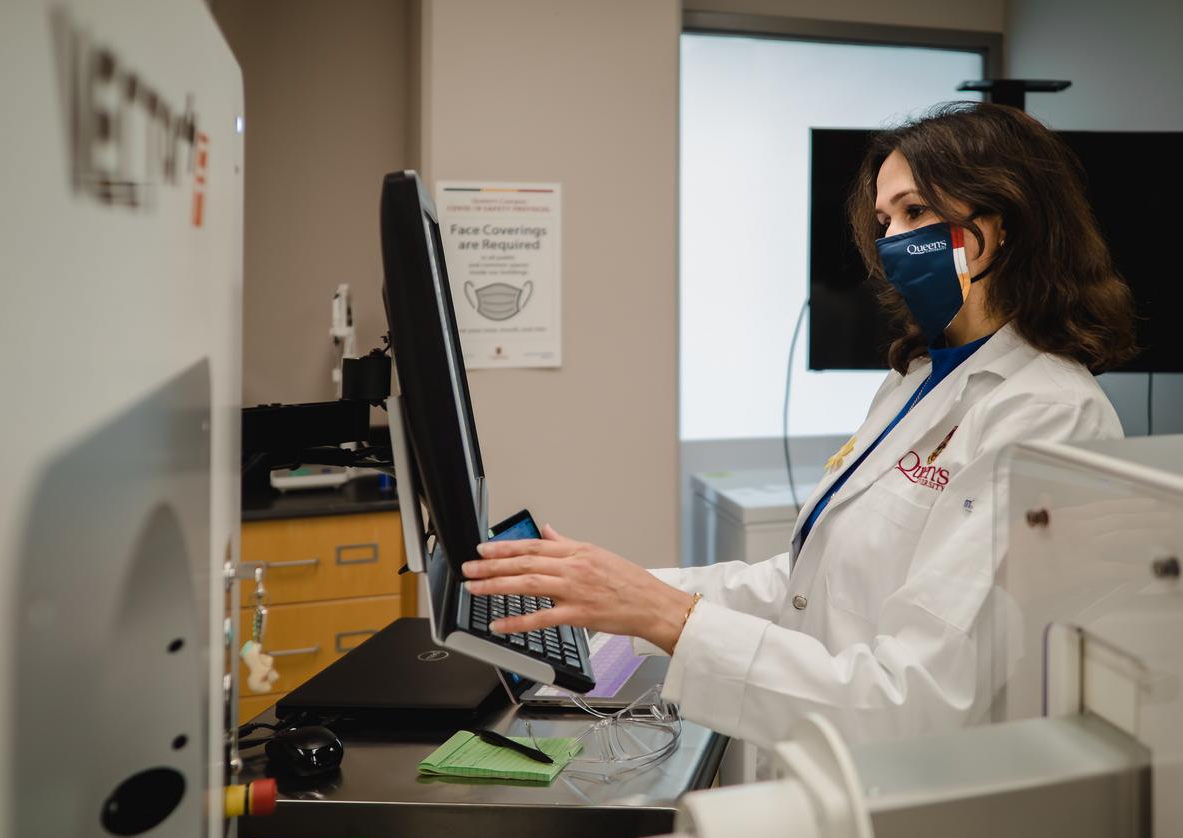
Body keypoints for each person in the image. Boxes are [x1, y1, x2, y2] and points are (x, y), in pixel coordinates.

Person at [462, 102, 1137, 749]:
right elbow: (805, 589)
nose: (893, 240)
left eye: (916, 211)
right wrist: (616, 589)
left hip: (920, 797)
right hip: (834, 770)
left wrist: (664, 615)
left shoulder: (1046, 413)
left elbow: (920, 696)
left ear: (1007, 223)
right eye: (884, 218)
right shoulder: (919, 380)